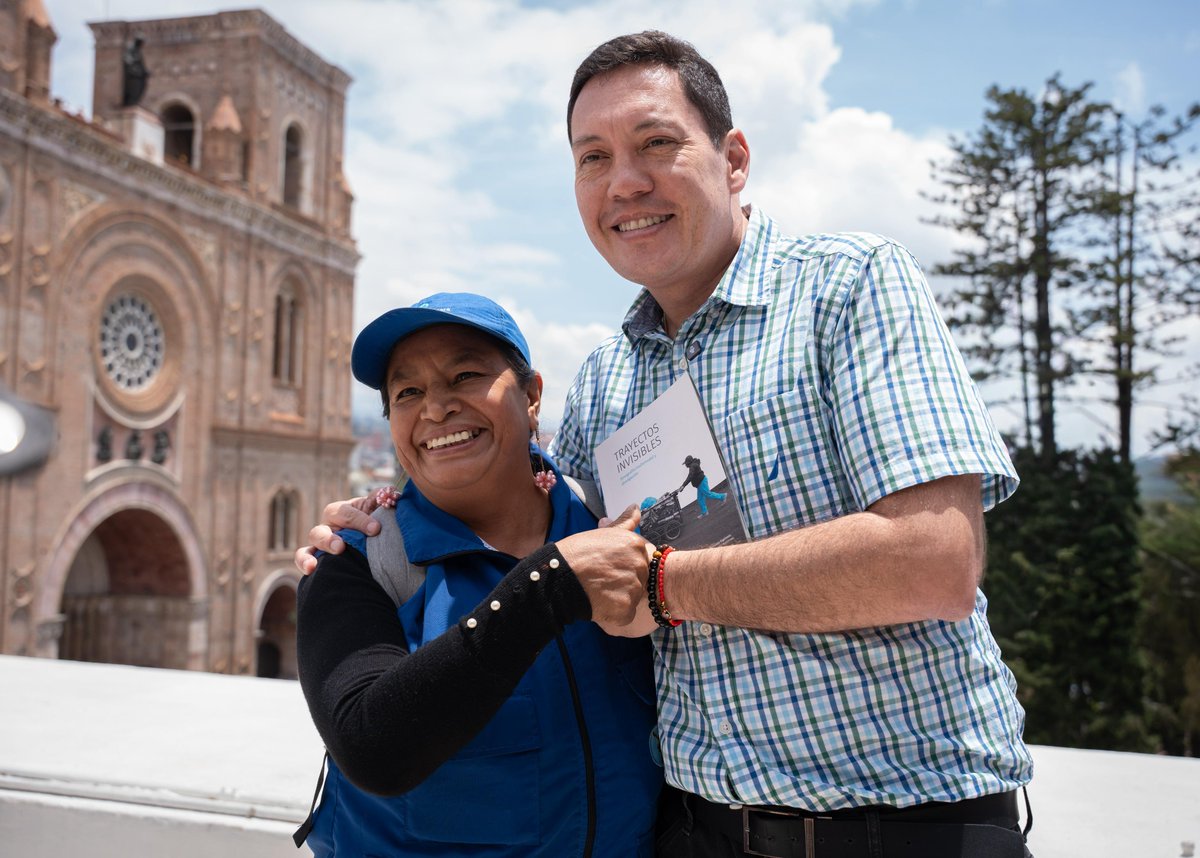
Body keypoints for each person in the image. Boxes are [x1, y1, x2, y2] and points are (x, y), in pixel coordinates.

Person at [301, 31, 1034, 858]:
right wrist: (374, 518)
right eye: (593, 157)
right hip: (691, 832)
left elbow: (934, 561)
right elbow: (514, 498)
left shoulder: (846, 286)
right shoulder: (607, 381)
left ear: (734, 158)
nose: (625, 183)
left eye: (656, 143)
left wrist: (662, 582)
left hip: (899, 829)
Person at [294, 292, 663, 857]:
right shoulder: (358, 562)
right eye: (407, 392)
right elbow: (372, 747)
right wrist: (550, 588)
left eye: (465, 375)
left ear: (532, 395)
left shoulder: (607, 522)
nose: (436, 408)